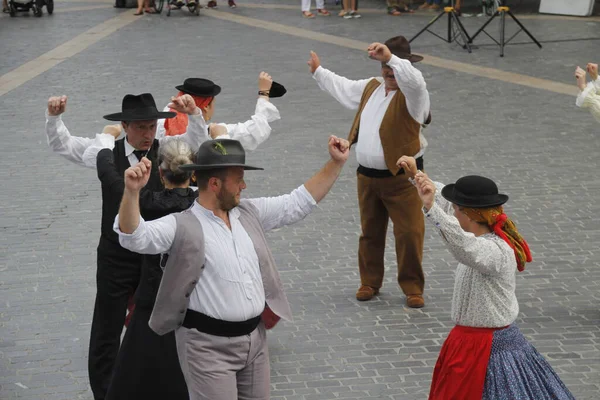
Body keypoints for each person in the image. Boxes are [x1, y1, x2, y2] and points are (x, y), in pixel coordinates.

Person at [115, 136, 350, 400]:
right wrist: (132, 192)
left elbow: (297, 203)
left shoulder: (249, 212)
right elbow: (134, 236)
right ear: (214, 184)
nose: (244, 185)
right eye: (238, 180)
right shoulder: (180, 225)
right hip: (206, 349)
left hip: (255, 343)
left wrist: (335, 163)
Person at [45, 92, 207, 400]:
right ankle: (105, 393)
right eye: (141, 128)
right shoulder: (106, 152)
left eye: (152, 127)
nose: (148, 134)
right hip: (116, 258)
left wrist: (196, 116)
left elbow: (196, 145)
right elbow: (63, 145)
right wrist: (54, 118)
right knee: (106, 329)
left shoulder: (167, 153)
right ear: (125, 126)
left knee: (163, 325)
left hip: (157, 258)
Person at [397, 156, 575, 400]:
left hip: (488, 351)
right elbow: (449, 208)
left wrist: (431, 209)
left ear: (469, 214)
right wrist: (417, 176)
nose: (453, 211)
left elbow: (463, 246)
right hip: (467, 345)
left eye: (457, 209)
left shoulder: (496, 252)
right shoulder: (480, 228)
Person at [308, 36, 431, 307]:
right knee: (370, 232)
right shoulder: (372, 87)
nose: (388, 74)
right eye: (385, 69)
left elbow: (415, 81)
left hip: (403, 180)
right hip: (367, 177)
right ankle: (369, 281)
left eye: (393, 69)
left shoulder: (414, 96)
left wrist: (391, 59)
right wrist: (319, 71)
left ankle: (412, 287)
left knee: (409, 233)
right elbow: (345, 88)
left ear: (403, 65)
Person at [93, 139, 197, 400]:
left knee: (133, 379)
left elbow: (115, 191)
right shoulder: (202, 205)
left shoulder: (147, 203)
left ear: (161, 174)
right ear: (193, 173)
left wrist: (105, 146)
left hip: (153, 303)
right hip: (196, 303)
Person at [158, 73, 285, 152]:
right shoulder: (213, 134)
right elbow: (255, 131)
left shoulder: (160, 124)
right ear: (206, 107)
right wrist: (264, 93)